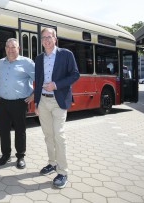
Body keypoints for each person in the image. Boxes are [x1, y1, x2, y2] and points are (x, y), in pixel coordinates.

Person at [34, 28, 80, 188]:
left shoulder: (66, 54)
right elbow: (38, 80)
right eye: (43, 38)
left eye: (49, 37)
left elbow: (75, 75)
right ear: (41, 41)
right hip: (43, 102)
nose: (46, 40)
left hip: (58, 100)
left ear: (55, 39)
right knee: (48, 135)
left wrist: (56, 85)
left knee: (59, 136)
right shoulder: (39, 58)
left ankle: (62, 172)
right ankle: (52, 163)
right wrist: (36, 103)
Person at [0, 38, 35, 169]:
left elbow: (40, 79)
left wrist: (33, 95)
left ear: (19, 49)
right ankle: (5, 155)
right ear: (5, 48)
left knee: (20, 129)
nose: (10, 50)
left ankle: (20, 156)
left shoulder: (27, 63)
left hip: (19, 102)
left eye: (13, 47)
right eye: (8, 47)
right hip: (2, 102)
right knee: (3, 130)